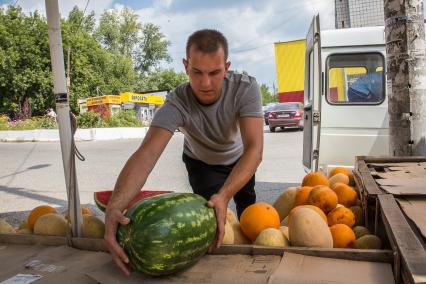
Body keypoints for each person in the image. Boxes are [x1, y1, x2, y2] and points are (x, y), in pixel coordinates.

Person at [104, 29, 264, 275]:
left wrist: (225, 195)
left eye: (215, 73)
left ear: (227, 67)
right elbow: (146, 154)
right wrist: (115, 206)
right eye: (197, 72)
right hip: (201, 162)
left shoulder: (245, 87)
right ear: (185, 66)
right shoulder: (177, 101)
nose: (205, 83)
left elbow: (254, 149)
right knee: (209, 224)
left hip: (241, 158)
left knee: (248, 208)